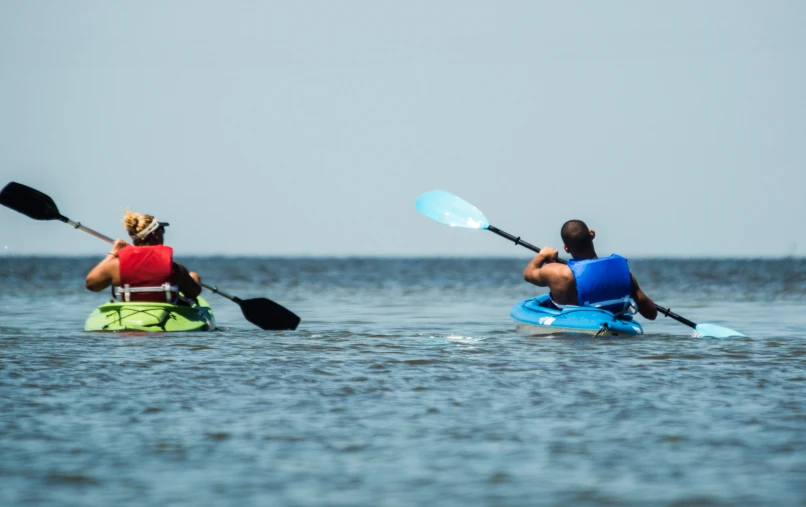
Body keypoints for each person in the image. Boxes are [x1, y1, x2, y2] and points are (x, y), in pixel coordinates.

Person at [522, 220, 657, 320]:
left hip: (575, 334)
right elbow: (651, 314)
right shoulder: (624, 275)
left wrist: (542, 255)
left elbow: (528, 274)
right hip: (614, 331)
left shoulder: (559, 273)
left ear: (566, 248)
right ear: (591, 234)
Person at [85, 211, 202, 302]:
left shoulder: (116, 266)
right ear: (155, 234)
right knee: (193, 276)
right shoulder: (174, 269)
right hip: (164, 315)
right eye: (161, 230)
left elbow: (91, 285)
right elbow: (193, 292)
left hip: (127, 319)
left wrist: (113, 253)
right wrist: (194, 278)